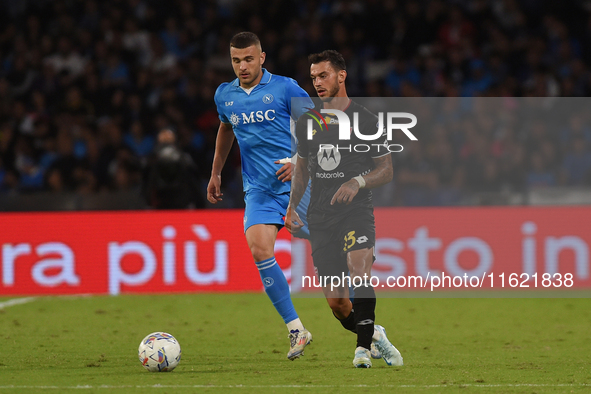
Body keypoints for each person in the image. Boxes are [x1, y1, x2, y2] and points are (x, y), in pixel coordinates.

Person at [286, 50, 404, 368]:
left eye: (323, 75)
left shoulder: (366, 120)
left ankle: (362, 350)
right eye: (313, 78)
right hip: (320, 217)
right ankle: (375, 334)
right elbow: (303, 170)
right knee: (338, 304)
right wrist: (292, 206)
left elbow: (386, 170)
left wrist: (357, 182)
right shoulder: (309, 122)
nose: (317, 83)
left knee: (359, 270)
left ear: (341, 76)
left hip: (355, 210)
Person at [208, 32, 313, 360]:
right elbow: (226, 128)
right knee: (259, 248)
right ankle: (296, 328)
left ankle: (366, 322)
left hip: (301, 185)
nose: (242, 66)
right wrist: (216, 172)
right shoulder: (225, 95)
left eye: (248, 59)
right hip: (259, 190)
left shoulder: (285, 88)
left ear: (262, 58)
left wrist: (298, 160)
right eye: (236, 60)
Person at [143, 129, 204, 209]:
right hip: (163, 200)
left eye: (168, 141)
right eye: (164, 142)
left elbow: (194, 180)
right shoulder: (153, 161)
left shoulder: (184, 159)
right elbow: (148, 181)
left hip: (178, 200)